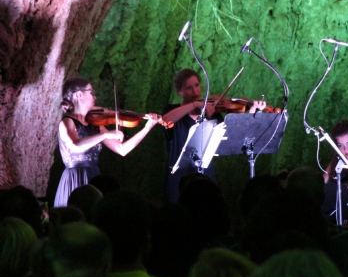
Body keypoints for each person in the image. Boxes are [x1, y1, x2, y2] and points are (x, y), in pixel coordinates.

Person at [162, 68, 266, 203]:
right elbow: (166, 120)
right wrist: (195, 104)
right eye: (189, 88)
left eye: (197, 85)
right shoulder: (172, 110)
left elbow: (234, 134)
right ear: (180, 91)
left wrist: (252, 112)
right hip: (178, 176)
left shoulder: (213, 114)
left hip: (206, 175)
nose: (195, 91)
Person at [54, 77, 161, 207]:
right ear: (79, 95)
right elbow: (76, 145)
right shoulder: (67, 122)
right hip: (74, 177)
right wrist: (105, 134)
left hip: (94, 177)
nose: (95, 97)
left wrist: (147, 128)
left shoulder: (96, 124)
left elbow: (122, 150)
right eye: (91, 92)